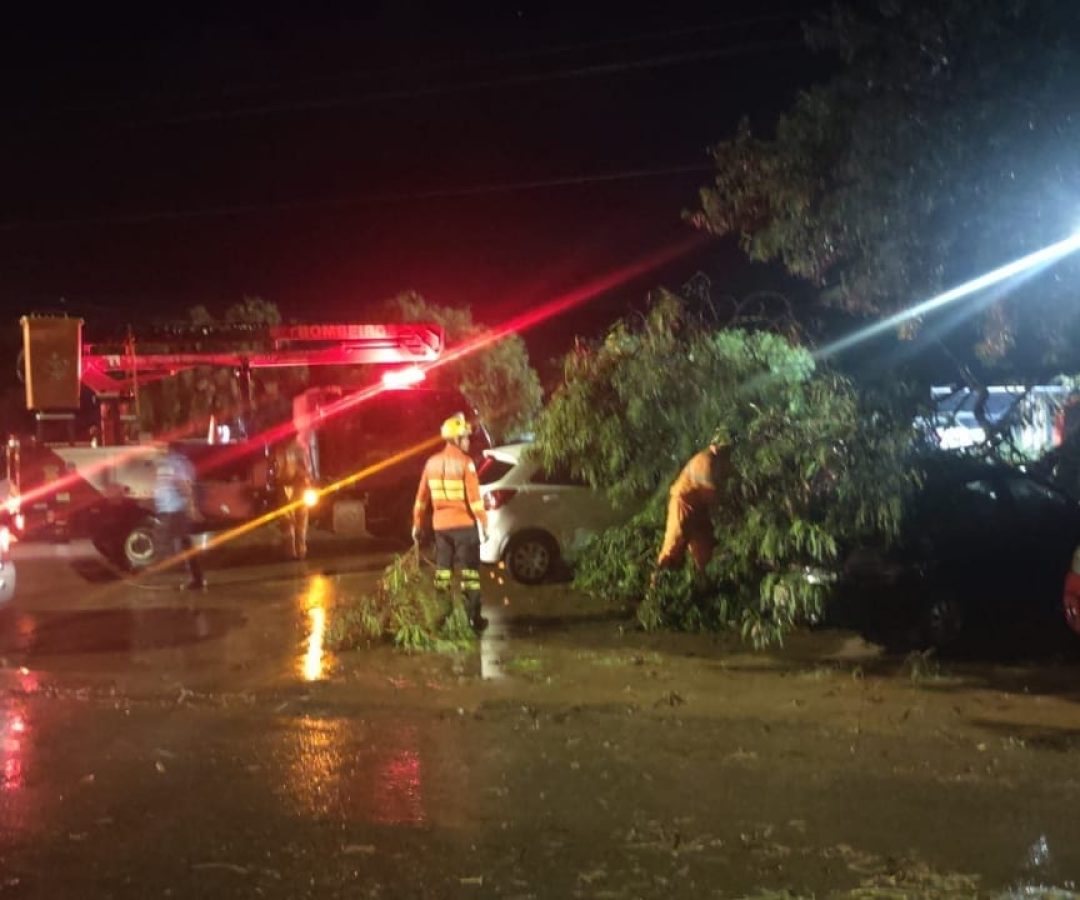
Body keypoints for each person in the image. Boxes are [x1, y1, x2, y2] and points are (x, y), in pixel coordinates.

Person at [412, 413, 489, 631]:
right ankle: (473, 619)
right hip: (465, 526)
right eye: (465, 437)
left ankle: (441, 618)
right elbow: (474, 499)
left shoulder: (431, 463)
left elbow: (421, 499)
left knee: (443, 573)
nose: (468, 441)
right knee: (470, 575)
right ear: (455, 439)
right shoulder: (466, 463)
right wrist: (484, 522)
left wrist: (417, 524)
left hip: (441, 528)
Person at [656, 438, 734, 573]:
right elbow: (714, 496)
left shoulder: (721, 461)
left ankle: (702, 581)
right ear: (714, 446)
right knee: (672, 546)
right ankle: (656, 584)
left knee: (704, 552)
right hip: (683, 505)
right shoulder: (705, 463)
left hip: (699, 508)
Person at [154, 443, 206, 591]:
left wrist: (192, 506)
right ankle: (196, 578)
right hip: (170, 507)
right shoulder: (172, 462)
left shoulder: (177, 463)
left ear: (170, 449)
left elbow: (185, 485)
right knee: (183, 543)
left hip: (175, 508)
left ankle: (194, 578)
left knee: (166, 541)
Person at [273, 434, 314, 560]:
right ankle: (299, 550)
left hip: (288, 486)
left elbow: (276, 470)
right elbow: (306, 468)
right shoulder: (299, 448)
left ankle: (292, 551)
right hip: (297, 486)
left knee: (289, 519)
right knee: (299, 519)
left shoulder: (279, 449)